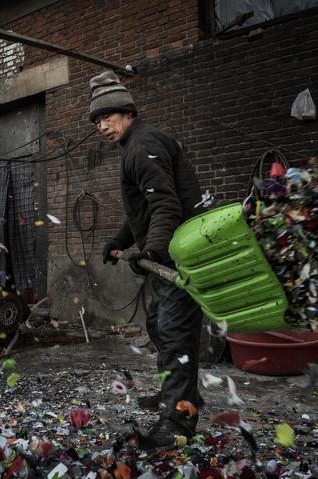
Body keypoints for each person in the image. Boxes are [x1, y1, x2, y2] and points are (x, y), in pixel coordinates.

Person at [89, 70, 205, 448]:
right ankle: (179, 395)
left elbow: (165, 205)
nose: (102, 126)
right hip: (167, 255)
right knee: (158, 323)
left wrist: (151, 249)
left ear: (126, 112)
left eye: (107, 117)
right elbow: (143, 209)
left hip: (178, 259)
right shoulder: (139, 145)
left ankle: (178, 421)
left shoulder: (142, 147)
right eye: (97, 121)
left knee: (174, 335)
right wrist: (120, 240)